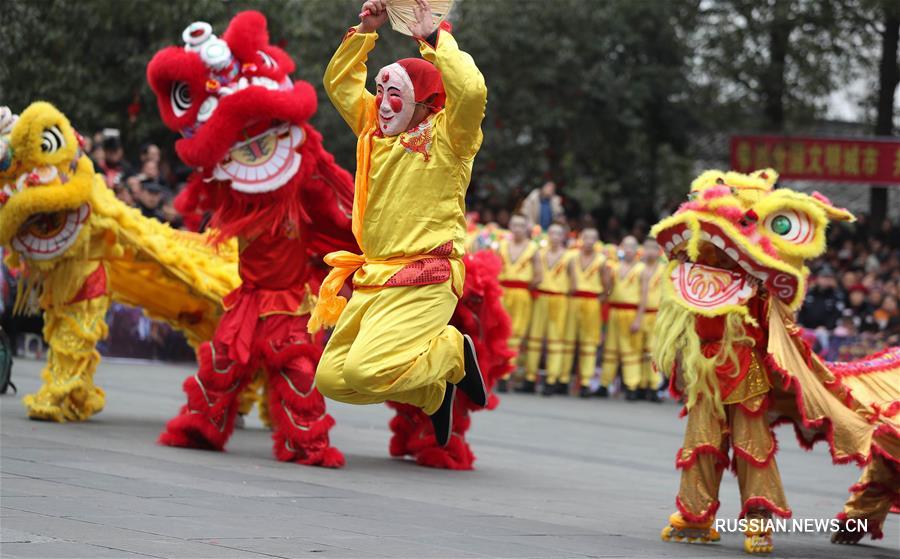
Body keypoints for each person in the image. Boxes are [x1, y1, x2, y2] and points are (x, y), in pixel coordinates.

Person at [311, 0, 489, 447]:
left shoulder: (450, 136)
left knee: (365, 371)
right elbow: (338, 83)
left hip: (425, 273)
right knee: (333, 380)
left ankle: (450, 352)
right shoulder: (373, 129)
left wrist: (433, 37)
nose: (384, 105)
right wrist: (367, 32)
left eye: (396, 95)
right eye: (381, 90)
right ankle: (433, 391)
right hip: (374, 276)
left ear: (426, 103)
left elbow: (470, 91)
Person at [520, 223, 570, 395]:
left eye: (558, 234)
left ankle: (551, 380)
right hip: (540, 297)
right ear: (548, 236)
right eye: (552, 234)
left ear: (563, 237)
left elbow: (574, 283)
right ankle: (530, 377)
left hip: (559, 298)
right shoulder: (540, 253)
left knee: (555, 340)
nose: (555, 237)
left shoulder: (569, 257)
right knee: (534, 338)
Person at [495, 213, 542, 392]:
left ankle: (507, 375)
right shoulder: (502, 245)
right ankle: (501, 373)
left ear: (526, 228)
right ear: (510, 226)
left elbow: (539, 276)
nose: (517, 229)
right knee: (501, 333)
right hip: (503, 292)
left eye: (521, 226)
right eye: (514, 225)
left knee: (516, 334)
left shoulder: (532, 248)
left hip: (522, 293)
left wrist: (525, 288)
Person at [598, 236, 645, 399]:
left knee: (630, 351)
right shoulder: (614, 268)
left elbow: (644, 296)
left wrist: (639, 319)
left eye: (632, 246)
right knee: (610, 350)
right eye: (626, 246)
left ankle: (632, 385)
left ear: (637, 249)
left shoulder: (641, 269)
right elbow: (608, 290)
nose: (628, 250)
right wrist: (604, 273)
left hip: (631, 313)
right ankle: (604, 384)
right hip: (614, 312)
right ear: (621, 248)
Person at [562, 228, 605, 398]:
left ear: (596, 241)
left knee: (589, 344)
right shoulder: (571, 257)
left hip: (591, 302)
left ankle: (585, 382)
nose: (589, 240)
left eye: (592, 238)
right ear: (581, 239)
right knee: (568, 340)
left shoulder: (601, 260)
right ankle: (562, 379)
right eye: (586, 237)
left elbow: (607, 284)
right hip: (573, 301)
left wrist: (600, 298)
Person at [636, 238, 664, 402]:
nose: (651, 251)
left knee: (653, 352)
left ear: (659, 251)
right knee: (638, 350)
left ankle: (653, 386)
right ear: (643, 250)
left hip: (657, 314)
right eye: (648, 248)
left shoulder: (664, 270)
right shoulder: (638, 269)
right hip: (638, 313)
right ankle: (639, 384)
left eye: (654, 248)